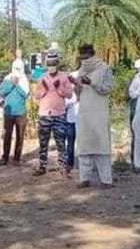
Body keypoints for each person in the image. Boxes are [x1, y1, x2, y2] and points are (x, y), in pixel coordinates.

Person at [73, 43, 115, 187]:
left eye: (86, 57)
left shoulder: (104, 68)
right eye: (81, 57)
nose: (84, 60)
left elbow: (108, 89)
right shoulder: (81, 70)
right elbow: (78, 94)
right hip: (84, 111)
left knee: (101, 147)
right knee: (84, 147)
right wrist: (76, 86)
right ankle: (84, 179)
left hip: (99, 112)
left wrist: (92, 83)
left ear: (92, 55)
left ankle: (106, 180)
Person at [33, 51, 74, 176]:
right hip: (45, 113)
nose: (51, 66)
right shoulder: (42, 78)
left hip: (59, 114)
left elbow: (70, 94)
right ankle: (42, 166)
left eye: (53, 64)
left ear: (57, 64)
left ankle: (62, 166)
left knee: (60, 141)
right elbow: (36, 96)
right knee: (43, 141)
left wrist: (59, 89)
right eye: (49, 64)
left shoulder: (64, 77)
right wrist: (44, 90)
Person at [0, 60, 29, 166]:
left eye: (19, 68)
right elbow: (2, 93)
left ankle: (17, 158)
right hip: (9, 112)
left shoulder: (24, 79)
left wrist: (17, 84)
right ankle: (5, 157)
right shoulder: (7, 78)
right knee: (7, 135)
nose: (17, 70)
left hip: (21, 112)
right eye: (15, 67)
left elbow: (25, 95)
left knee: (20, 136)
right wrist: (11, 84)